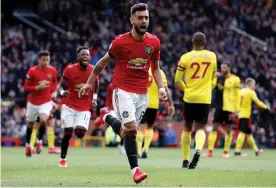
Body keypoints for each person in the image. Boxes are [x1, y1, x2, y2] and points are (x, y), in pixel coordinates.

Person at [78, 3, 167, 184]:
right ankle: (135, 170)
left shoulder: (154, 42)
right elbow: (102, 62)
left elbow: (156, 68)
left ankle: (107, 117)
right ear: (132, 20)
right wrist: (89, 83)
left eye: (146, 18)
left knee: (127, 133)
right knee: (132, 130)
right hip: (123, 90)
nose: (144, 21)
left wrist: (162, 88)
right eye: (140, 18)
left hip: (143, 94)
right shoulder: (120, 42)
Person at [175, 32, 217, 169]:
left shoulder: (185, 57)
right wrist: (210, 86)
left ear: (192, 41)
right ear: (205, 42)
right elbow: (214, 77)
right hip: (205, 98)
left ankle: (185, 160)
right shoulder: (212, 56)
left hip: (190, 97)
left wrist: (186, 88)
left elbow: (177, 80)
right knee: (200, 128)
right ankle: (198, 149)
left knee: (187, 128)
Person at [58, 46, 99, 168]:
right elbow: (60, 85)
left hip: (84, 107)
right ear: (78, 57)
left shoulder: (93, 70)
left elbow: (97, 83)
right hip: (69, 105)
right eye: (83, 54)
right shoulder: (69, 69)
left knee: (80, 133)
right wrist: (62, 92)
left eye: (87, 54)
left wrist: (94, 99)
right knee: (68, 133)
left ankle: (78, 129)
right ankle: (63, 158)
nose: (86, 56)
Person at [23, 50, 58, 157]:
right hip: (33, 102)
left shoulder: (52, 70)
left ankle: (39, 141)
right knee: (30, 124)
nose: (46, 62)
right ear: (39, 60)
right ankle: (28, 145)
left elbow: (55, 83)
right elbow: (25, 88)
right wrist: (37, 87)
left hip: (46, 101)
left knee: (43, 119)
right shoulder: (32, 71)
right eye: (44, 60)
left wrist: (54, 92)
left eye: (48, 60)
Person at [204, 62, 240, 158]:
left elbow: (237, 95)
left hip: (230, 108)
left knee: (229, 130)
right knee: (214, 128)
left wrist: (237, 109)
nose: (222, 69)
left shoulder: (235, 79)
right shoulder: (219, 78)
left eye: (224, 68)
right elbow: (211, 86)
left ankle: (226, 151)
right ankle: (210, 151)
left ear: (229, 68)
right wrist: (213, 76)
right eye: (221, 68)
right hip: (219, 107)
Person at [137, 67, 175, 158]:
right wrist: (171, 104)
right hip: (154, 104)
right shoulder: (160, 73)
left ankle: (138, 151)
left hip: (142, 103)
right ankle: (145, 148)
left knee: (140, 128)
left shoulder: (141, 69)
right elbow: (166, 89)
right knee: (150, 127)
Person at [234, 78, 267, 156]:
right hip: (246, 115)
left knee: (249, 134)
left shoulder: (240, 91)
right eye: (254, 85)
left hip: (240, 115)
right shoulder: (251, 92)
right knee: (242, 133)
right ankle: (237, 151)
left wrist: (236, 112)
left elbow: (237, 104)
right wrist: (265, 107)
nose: (254, 86)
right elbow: (257, 102)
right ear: (251, 84)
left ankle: (256, 151)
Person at [106, 83, 126, 155]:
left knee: (124, 127)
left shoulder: (125, 84)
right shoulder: (111, 86)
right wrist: (107, 106)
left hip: (122, 109)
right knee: (116, 124)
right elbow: (108, 96)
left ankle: (121, 145)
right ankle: (114, 140)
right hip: (112, 109)